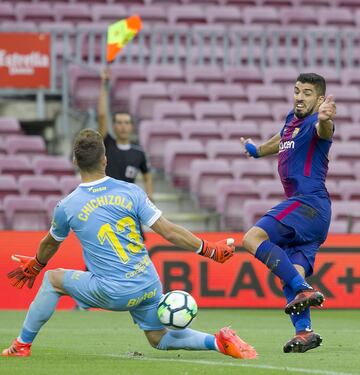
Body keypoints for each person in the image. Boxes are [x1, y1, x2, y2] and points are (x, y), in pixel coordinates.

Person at [2, 129, 257, 360]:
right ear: (105, 160)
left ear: (75, 162)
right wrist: (208, 249)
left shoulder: (67, 206)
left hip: (113, 292)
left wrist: (36, 264)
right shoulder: (131, 191)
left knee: (52, 279)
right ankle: (217, 341)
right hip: (147, 282)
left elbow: (50, 244)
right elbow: (167, 231)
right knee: (157, 337)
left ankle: (22, 344)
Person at [240, 73, 336, 353]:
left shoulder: (315, 123)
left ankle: (304, 288)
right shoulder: (290, 121)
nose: (299, 97)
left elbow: (324, 129)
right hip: (315, 217)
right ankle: (304, 332)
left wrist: (326, 118)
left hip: (308, 203)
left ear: (319, 100)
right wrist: (256, 151)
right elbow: (281, 139)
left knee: (252, 238)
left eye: (307, 93)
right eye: (297, 91)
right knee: (290, 273)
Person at [98, 67, 153, 201]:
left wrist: (150, 196)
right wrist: (104, 85)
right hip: (106, 199)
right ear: (114, 126)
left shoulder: (138, 153)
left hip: (127, 202)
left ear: (132, 126)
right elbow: (102, 115)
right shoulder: (107, 144)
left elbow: (147, 175)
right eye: (119, 122)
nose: (123, 126)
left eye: (127, 123)